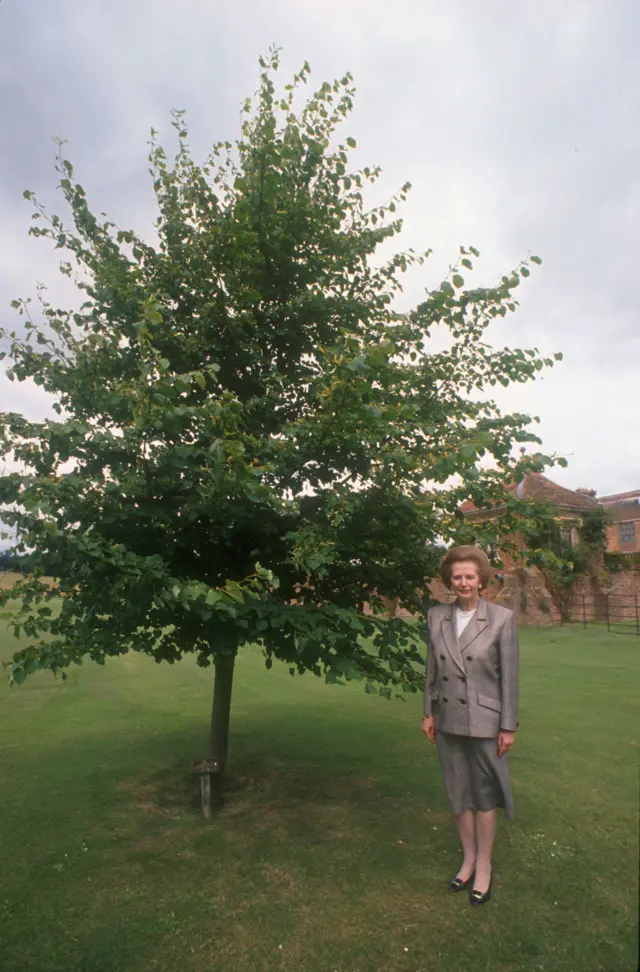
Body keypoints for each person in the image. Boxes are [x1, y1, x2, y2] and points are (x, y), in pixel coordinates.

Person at [422, 545, 519, 906]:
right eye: (457, 576)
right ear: (450, 579)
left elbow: (509, 678)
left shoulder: (501, 618)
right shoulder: (436, 616)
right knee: (459, 796)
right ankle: (467, 859)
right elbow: (431, 670)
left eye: (470, 576)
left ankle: (485, 866)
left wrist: (507, 727)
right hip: (447, 720)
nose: (463, 582)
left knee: (485, 797)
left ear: (482, 579)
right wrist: (428, 713)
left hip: (486, 722)